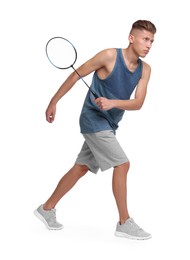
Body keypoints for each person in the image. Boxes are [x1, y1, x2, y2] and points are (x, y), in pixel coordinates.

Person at [34, 20, 156, 240]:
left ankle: (47, 208)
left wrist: (112, 103)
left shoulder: (145, 69)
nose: (149, 45)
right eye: (145, 39)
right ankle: (124, 222)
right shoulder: (109, 56)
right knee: (123, 164)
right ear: (131, 38)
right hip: (92, 120)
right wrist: (53, 102)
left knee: (81, 168)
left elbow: (138, 103)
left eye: (152, 41)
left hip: (110, 123)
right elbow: (75, 75)